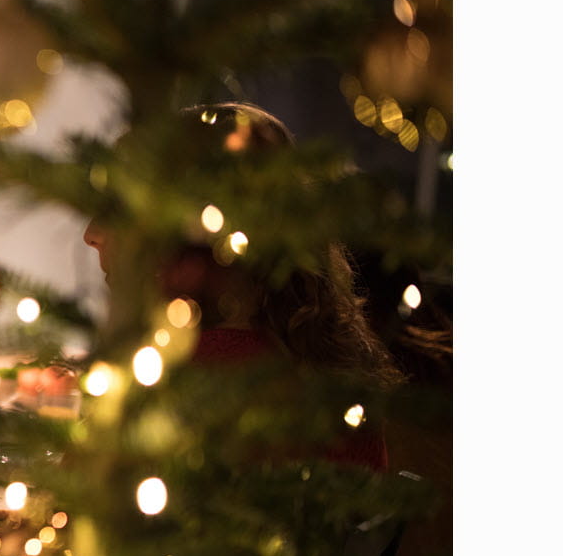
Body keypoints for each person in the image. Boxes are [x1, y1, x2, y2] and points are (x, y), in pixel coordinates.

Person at [80, 102, 404, 470]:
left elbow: (67, 513)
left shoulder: (168, 387)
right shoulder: (332, 378)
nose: (91, 234)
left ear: (196, 230)